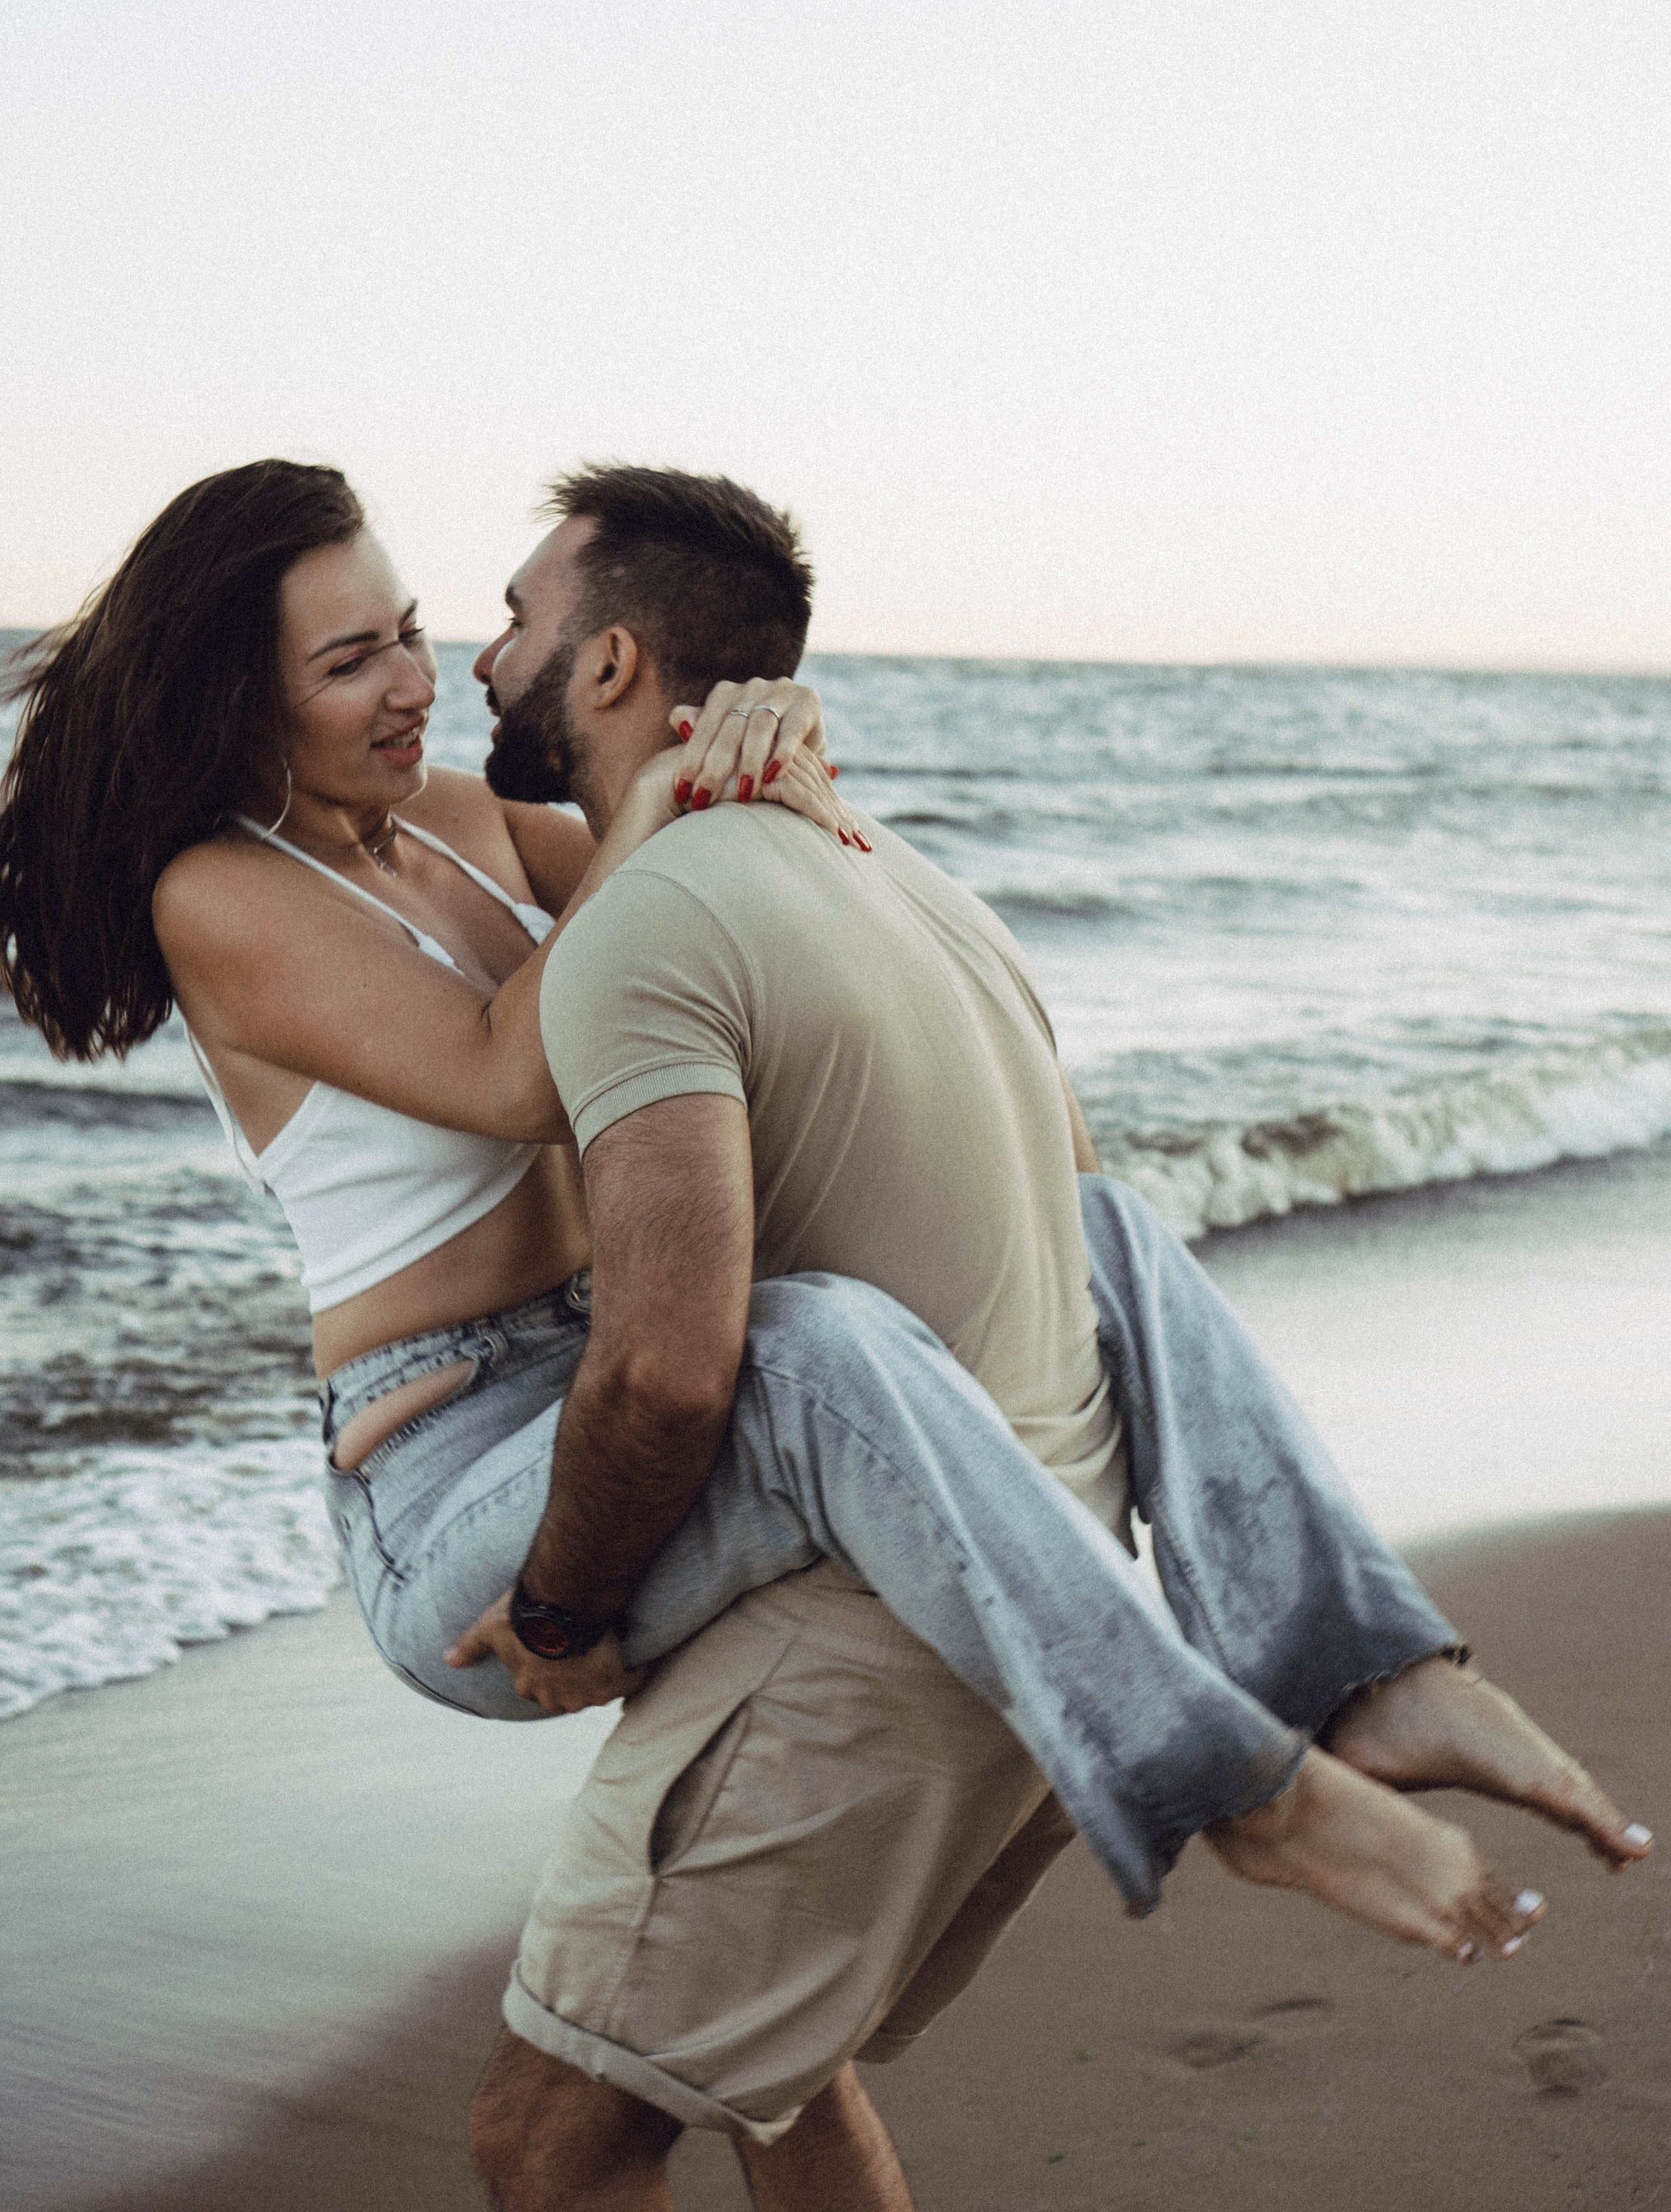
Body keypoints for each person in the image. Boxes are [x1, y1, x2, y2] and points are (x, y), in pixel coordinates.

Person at [0, 462, 1647, 2209]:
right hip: (457, 1477)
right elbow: (508, 1061)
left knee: (1092, 1235)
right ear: (239, 704)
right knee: (819, 1334)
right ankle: (1224, 1776)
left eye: (414, 633)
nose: (417, 678)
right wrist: (652, 824)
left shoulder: (469, 826)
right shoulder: (219, 898)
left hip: (633, 1420)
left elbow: (716, 873)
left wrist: (748, 754)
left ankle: (1369, 1667)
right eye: (352, 663)